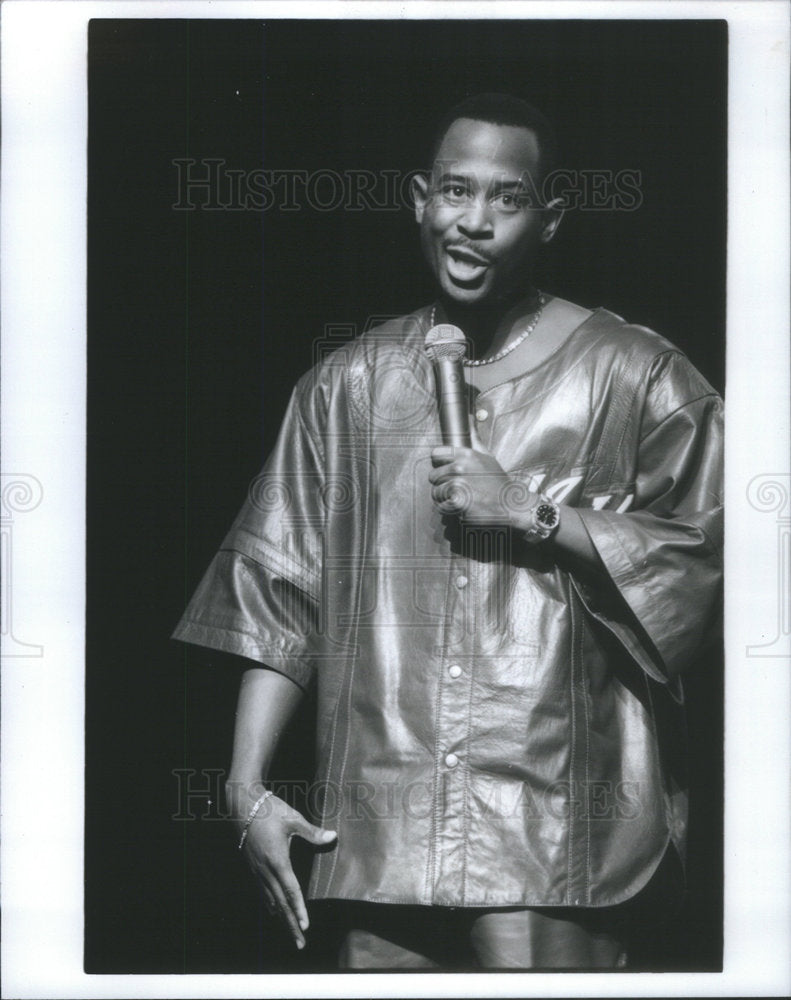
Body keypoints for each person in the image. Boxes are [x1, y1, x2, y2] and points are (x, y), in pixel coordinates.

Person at [173, 93, 723, 969]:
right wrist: (245, 789)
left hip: (550, 833)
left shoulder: (634, 373)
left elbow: (709, 560)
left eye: (506, 199)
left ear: (549, 219)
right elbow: (280, 594)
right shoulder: (345, 386)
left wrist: (535, 514)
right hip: (375, 836)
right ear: (418, 199)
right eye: (455, 192)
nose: (472, 222)